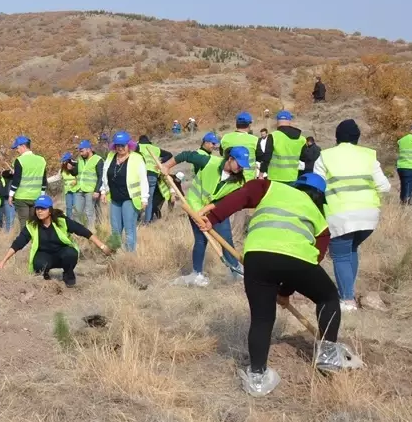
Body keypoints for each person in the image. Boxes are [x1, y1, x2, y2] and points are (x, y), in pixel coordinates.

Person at [198, 173, 353, 397]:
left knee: (262, 318)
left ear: (296, 185)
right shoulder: (319, 216)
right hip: (298, 259)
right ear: (319, 197)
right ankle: (328, 356)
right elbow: (315, 256)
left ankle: (258, 378)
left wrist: (213, 217)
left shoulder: (271, 188)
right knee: (327, 297)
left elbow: (244, 194)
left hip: (257, 257)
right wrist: (287, 288)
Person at [312, 119, 391, 312]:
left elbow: (316, 187)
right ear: (358, 137)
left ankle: (347, 300)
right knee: (352, 250)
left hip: (339, 214)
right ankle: (349, 291)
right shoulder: (368, 156)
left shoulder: (326, 156)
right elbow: (385, 186)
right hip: (368, 215)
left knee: (340, 256)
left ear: (337, 137)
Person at [163, 144, 250, 286]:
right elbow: (186, 155)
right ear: (230, 158)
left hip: (216, 211)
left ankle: (236, 272)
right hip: (194, 206)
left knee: (226, 240)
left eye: (243, 166)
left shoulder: (238, 181)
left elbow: (223, 201)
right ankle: (196, 274)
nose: (240, 168)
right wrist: (167, 166)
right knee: (201, 240)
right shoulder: (210, 162)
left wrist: (205, 212)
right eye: (238, 164)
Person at [0, 195, 111, 286]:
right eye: (37, 208)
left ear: (49, 210)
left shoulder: (61, 221)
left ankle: (68, 274)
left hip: (62, 253)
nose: (39, 211)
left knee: (71, 254)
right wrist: (3, 262)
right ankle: (45, 277)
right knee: (38, 263)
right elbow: (18, 243)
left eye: (43, 209)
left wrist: (102, 246)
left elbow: (84, 231)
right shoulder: (31, 225)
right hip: (44, 255)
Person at [99, 132, 148, 253]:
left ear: (129, 145)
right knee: (115, 229)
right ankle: (116, 252)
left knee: (129, 228)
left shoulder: (137, 158)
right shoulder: (111, 156)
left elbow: (143, 179)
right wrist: (103, 191)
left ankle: (129, 255)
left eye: (123, 145)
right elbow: (105, 175)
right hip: (115, 198)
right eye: (117, 145)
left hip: (129, 198)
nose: (120, 148)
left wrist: (144, 198)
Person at [8, 136, 47, 231]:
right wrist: (42, 194)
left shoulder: (19, 160)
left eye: (17, 148)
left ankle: (25, 243)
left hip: (22, 197)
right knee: (35, 222)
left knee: (24, 223)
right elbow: (44, 180)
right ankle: (35, 242)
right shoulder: (41, 160)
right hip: (36, 196)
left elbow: (16, 180)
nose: (17, 150)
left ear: (23, 146)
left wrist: (11, 195)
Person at [258, 110, 304, 183]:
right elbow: (305, 157)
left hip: (275, 177)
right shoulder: (301, 139)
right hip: (292, 177)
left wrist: (261, 174)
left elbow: (267, 156)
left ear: (277, 121)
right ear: (289, 121)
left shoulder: (273, 136)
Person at [136, 135, 172, 224]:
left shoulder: (139, 147)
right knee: (149, 199)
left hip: (142, 174)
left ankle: (136, 218)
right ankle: (148, 221)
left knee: (138, 196)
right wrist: (161, 162)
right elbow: (169, 154)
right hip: (153, 175)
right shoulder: (155, 149)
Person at [74, 140, 103, 227]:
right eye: (80, 151)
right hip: (79, 189)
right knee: (77, 212)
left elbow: (101, 176)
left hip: (91, 190)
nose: (80, 153)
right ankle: (78, 233)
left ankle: (90, 233)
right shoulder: (80, 160)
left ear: (88, 150)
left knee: (89, 213)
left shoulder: (98, 160)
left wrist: (97, 190)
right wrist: (71, 168)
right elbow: (75, 173)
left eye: (82, 151)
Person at [60, 152, 81, 221]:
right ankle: (69, 221)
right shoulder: (62, 170)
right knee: (69, 207)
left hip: (75, 190)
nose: (63, 163)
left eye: (64, 161)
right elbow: (57, 177)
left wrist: (76, 181)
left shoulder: (75, 167)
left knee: (76, 207)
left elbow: (79, 176)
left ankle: (77, 221)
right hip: (67, 191)